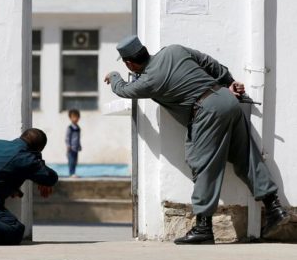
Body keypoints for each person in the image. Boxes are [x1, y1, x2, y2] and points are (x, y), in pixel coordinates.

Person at [104, 35, 290, 245]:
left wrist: (114, 76)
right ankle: (274, 209)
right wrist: (229, 82)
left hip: (206, 111)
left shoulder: (149, 81)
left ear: (129, 63)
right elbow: (210, 63)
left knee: (203, 164)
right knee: (246, 156)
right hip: (227, 99)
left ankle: (203, 228)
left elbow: (123, 90)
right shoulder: (173, 50)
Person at [65, 109, 82, 178]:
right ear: (70, 118)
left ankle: (73, 173)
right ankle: (71, 173)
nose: (75, 118)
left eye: (77, 117)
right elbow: (67, 138)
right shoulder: (70, 128)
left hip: (76, 148)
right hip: (71, 148)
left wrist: (79, 145)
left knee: (75, 161)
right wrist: (68, 145)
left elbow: (78, 138)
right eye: (73, 117)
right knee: (71, 161)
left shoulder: (78, 128)